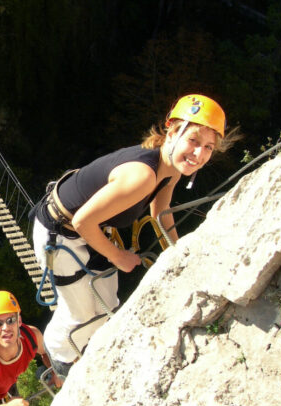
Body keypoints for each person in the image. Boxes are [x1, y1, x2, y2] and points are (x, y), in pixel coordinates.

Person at [31, 94, 240, 380]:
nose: (199, 154)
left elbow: (161, 211)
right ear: (172, 131)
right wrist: (118, 256)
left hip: (89, 230)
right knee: (80, 313)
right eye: (193, 140)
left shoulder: (171, 168)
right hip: (60, 235)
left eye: (208, 147)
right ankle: (60, 358)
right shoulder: (142, 175)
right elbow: (82, 221)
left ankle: (86, 347)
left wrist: (179, 252)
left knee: (107, 306)